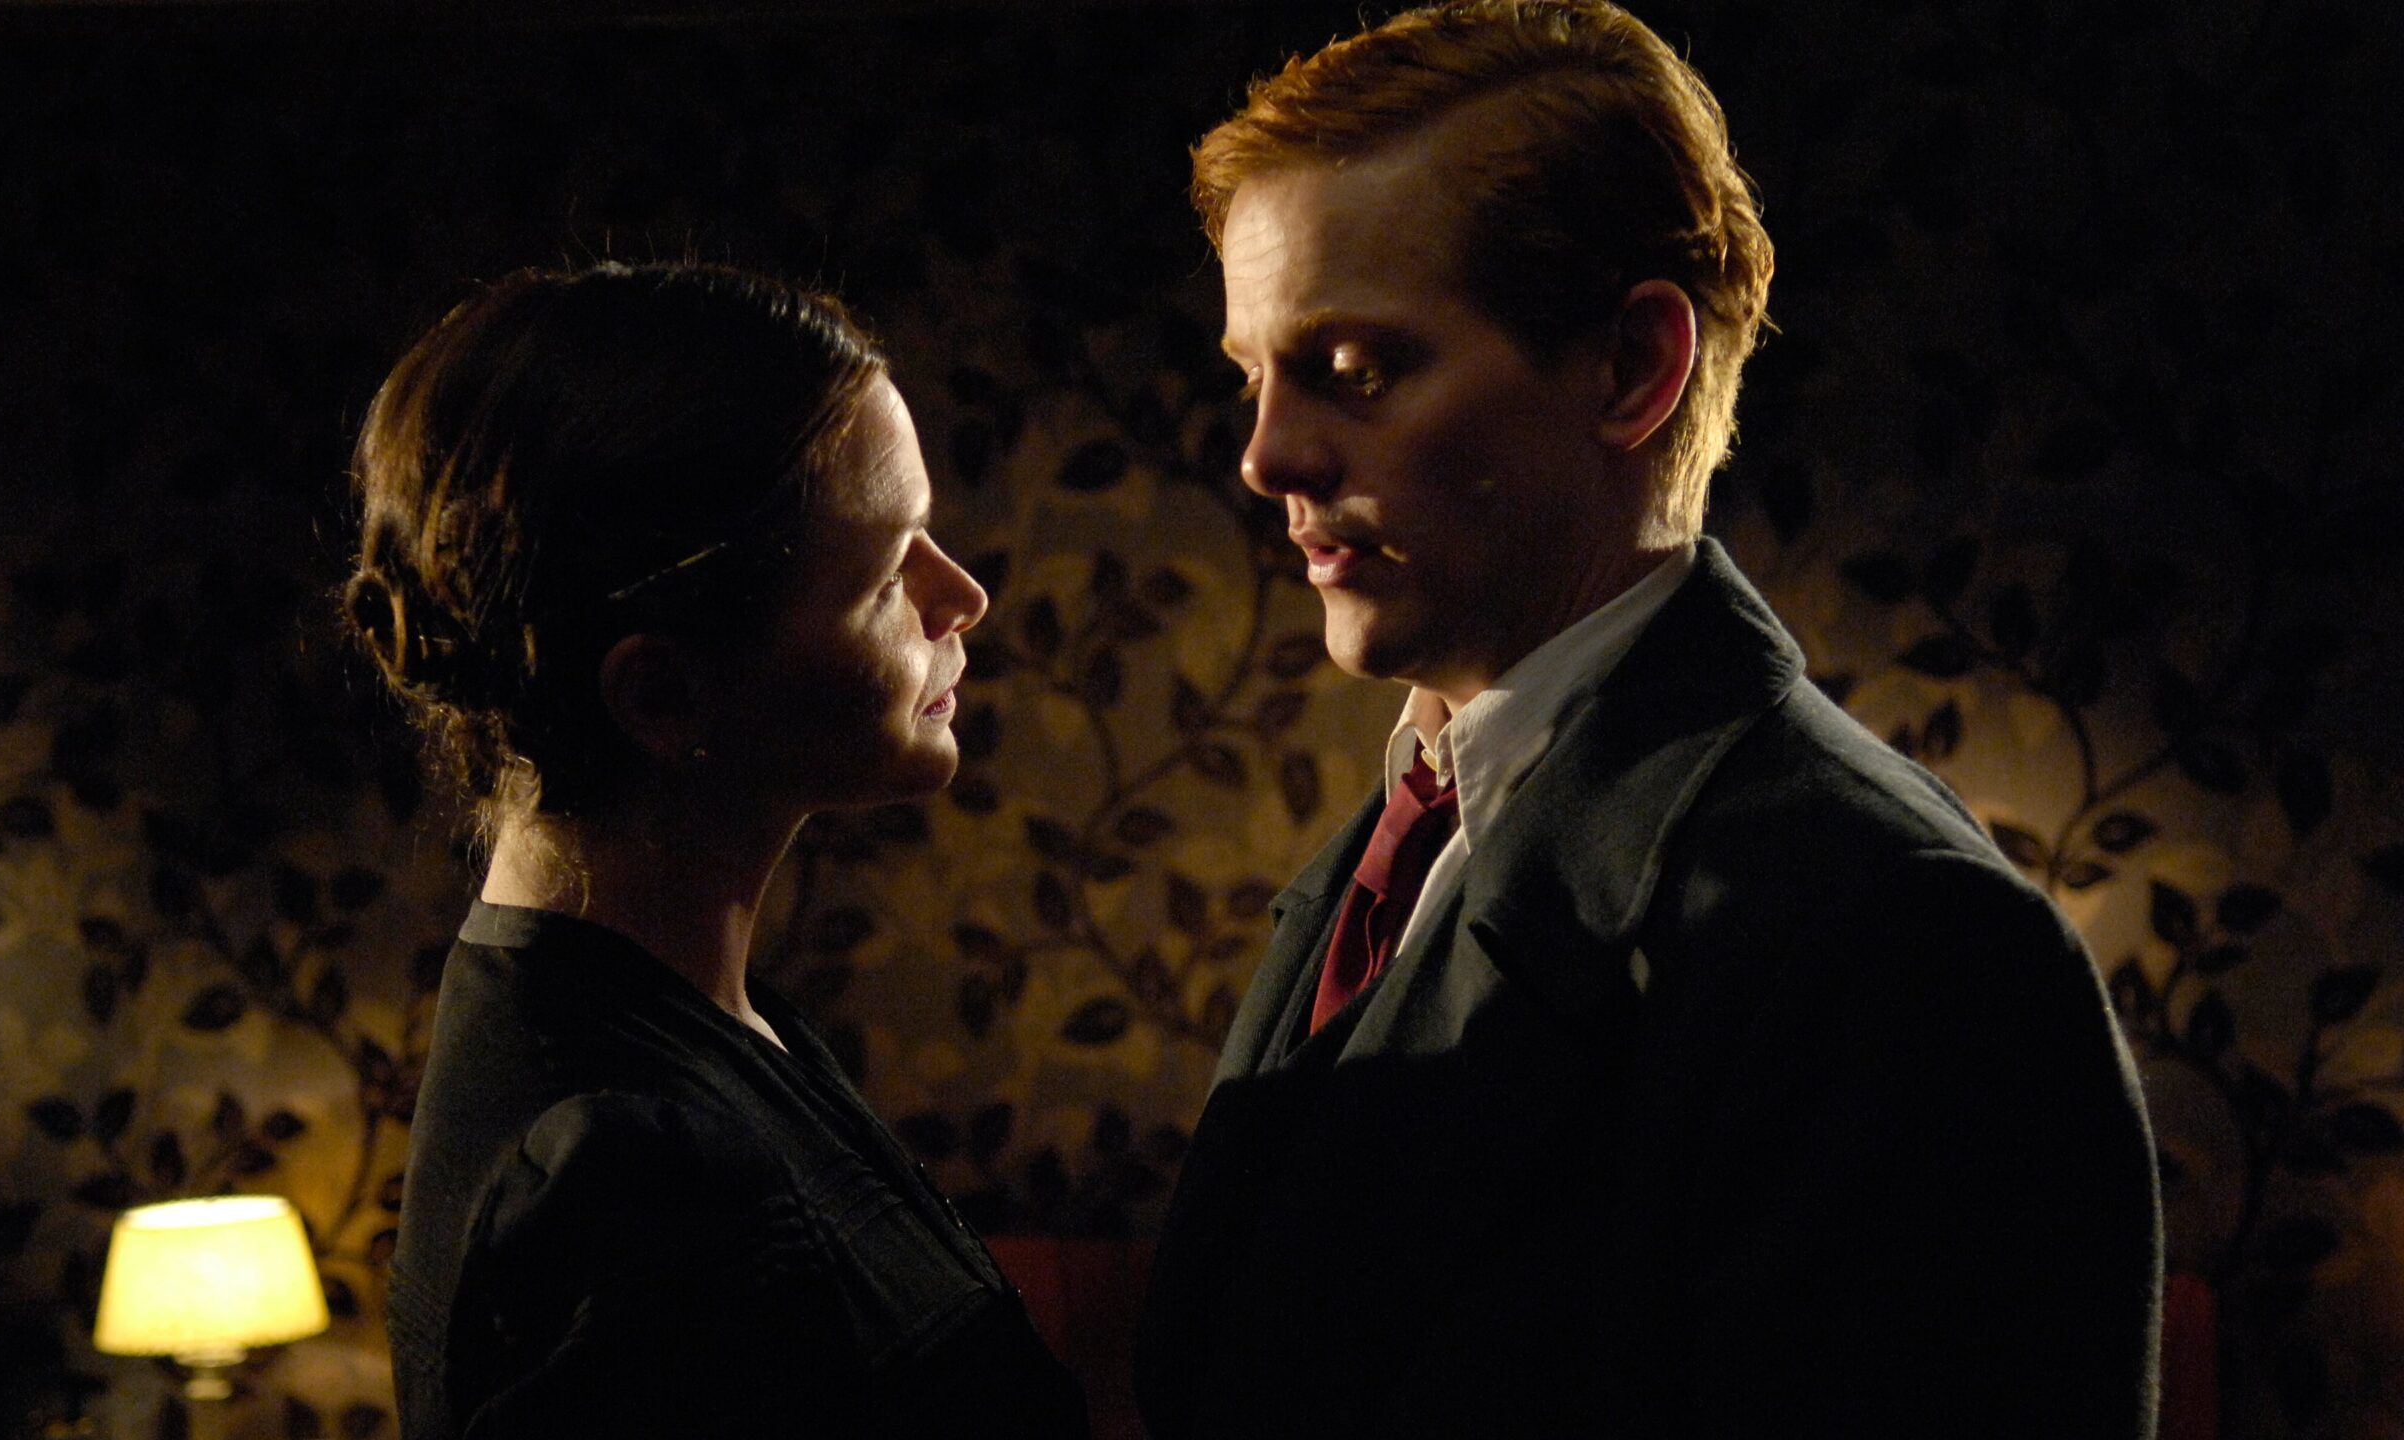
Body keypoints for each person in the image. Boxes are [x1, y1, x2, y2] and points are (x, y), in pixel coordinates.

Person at [1137, 3, 2162, 1436]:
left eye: (1355, 369)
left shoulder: (1908, 948)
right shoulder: (1403, 840)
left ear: (1631, 368)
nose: (1265, 455)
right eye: (1254, 374)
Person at [348, 263, 1087, 1438]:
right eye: (886, 574)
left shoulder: (704, 1015)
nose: (963, 597)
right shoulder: (620, 1169)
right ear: (663, 694)